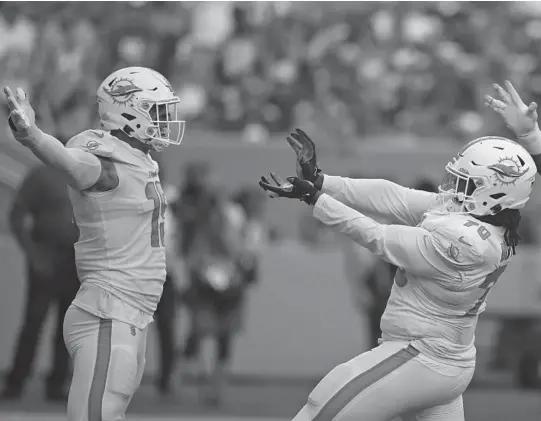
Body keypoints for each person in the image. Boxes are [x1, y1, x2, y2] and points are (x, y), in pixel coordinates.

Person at [259, 128, 537, 421]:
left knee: (321, 410)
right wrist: (321, 180)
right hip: (443, 360)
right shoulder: (483, 220)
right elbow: (395, 197)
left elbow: (378, 236)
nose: (453, 188)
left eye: (465, 183)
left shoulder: (469, 243)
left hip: (421, 356)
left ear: (493, 192)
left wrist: (316, 199)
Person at [4, 66, 185, 421]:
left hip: (131, 312)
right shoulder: (104, 160)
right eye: (158, 110)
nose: (166, 119)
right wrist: (32, 135)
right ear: (129, 110)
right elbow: (71, 163)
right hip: (108, 311)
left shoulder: (140, 159)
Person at [2, 164, 79, 401]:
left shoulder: (85, 172)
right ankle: (16, 382)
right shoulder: (41, 175)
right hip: (46, 256)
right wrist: (34, 255)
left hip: (75, 259)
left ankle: (57, 384)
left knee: (68, 326)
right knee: (34, 322)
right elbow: (17, 215)